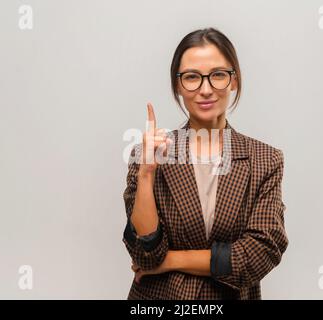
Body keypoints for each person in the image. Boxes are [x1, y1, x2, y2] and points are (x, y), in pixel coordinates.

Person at [122, 27, 288, 299]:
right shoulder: (150, 155)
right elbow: (145, 254)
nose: (206, 89)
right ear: (178, 84)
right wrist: (146, 173)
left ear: (234, 80)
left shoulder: (265, 160)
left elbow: (257, 255)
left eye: (218, 75)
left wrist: (170, 261)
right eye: (192, 78)